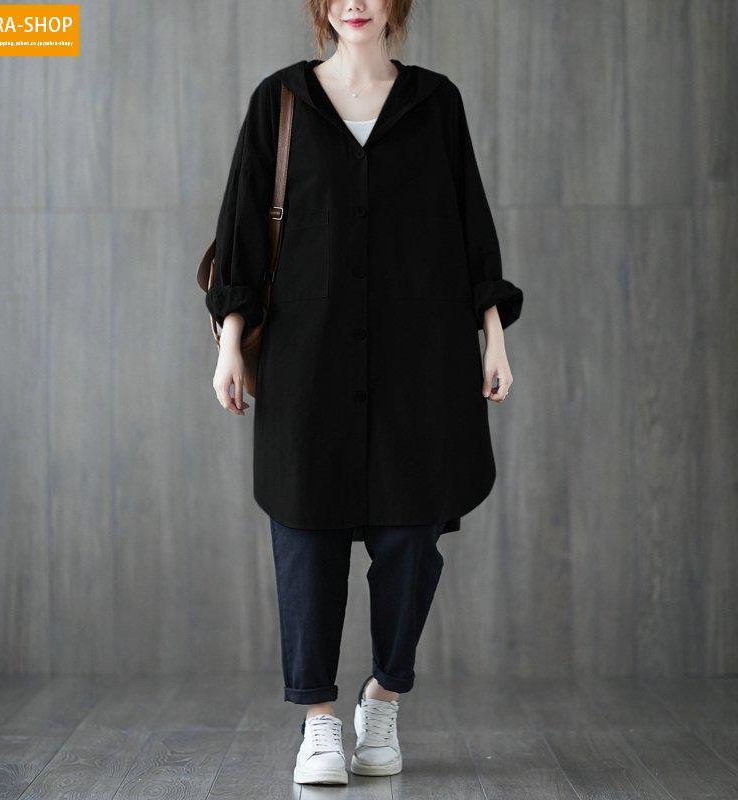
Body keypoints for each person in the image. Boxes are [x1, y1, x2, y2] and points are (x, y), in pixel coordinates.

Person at [205, 0, 523, 786]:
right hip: (306, 359)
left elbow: (469, 224)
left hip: (421, 359)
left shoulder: (434, 102)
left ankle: (382, 698)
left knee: (412, 536)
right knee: (305, 536)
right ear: (322, 7)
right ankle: (318, 721)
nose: (355, 2)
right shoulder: (281, 101)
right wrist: (230, 344)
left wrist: (494, 334)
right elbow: (242, 229)